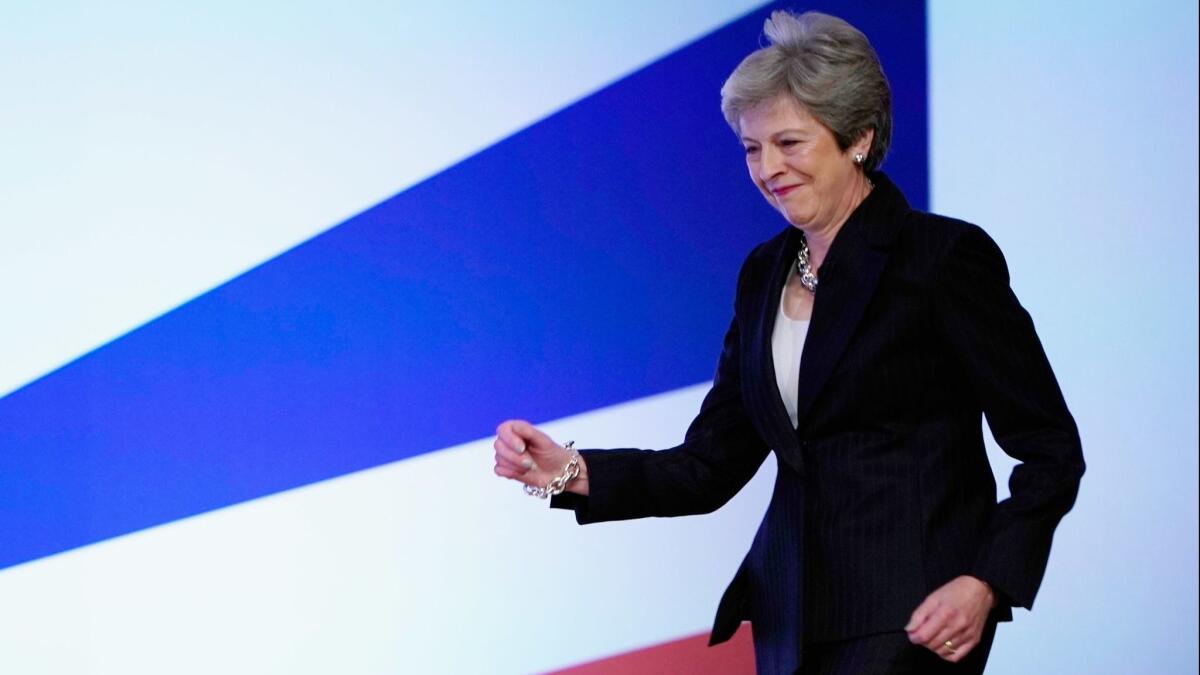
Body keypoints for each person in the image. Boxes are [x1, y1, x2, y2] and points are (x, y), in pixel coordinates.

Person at [492, 10, 1083, 675]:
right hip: (791, 621)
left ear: (857, 137)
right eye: (751, 147)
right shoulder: (763, 273)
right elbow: (709, 464)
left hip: (913, 617)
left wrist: (986, 580)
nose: (767, 167)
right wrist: (571, 471)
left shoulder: (942, 260)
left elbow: (1051, 450)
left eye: (790, 142)